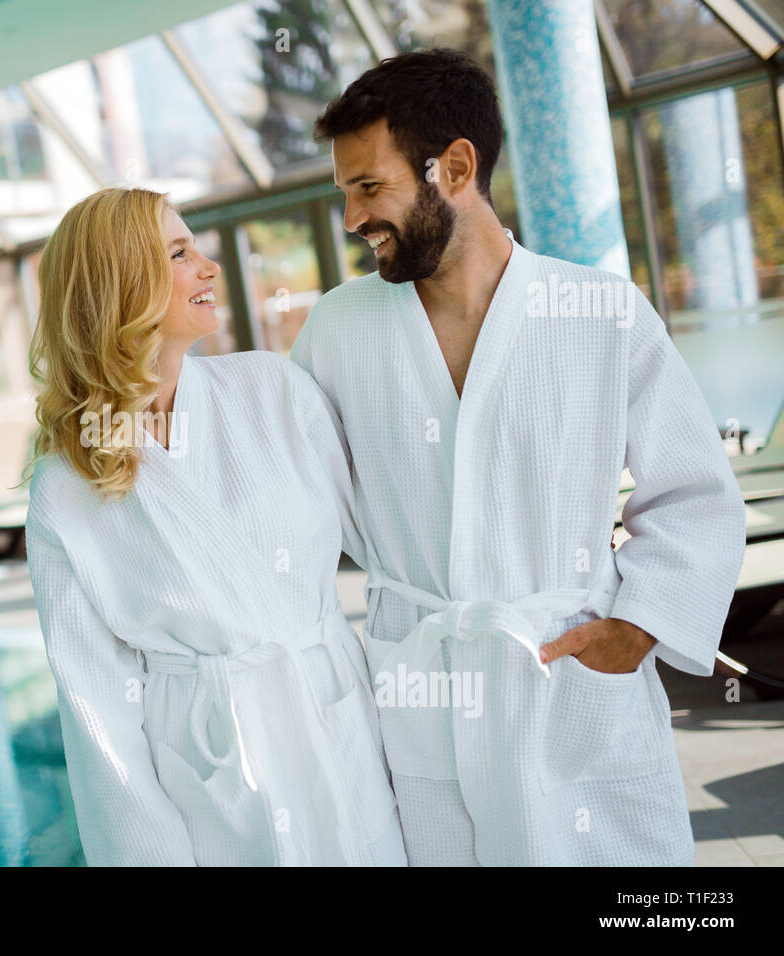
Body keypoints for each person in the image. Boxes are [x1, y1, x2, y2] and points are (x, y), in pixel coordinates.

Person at [291, 48, 746, 866]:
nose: (353, 218)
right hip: (424, 692)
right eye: (345, 193)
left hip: (569, 684)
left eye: (370, 187)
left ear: (455, 167)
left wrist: (640, 626)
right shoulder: (338, 330)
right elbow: (288, 496)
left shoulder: (599, 312)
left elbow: (694, 494)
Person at [22, 186, 406, 866]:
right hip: (209, 778)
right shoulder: (66, 485)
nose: (210, 268)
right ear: (121, 283)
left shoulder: (274, 390)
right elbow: (97, 710)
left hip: (334, 722)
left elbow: (394, 543)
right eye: (178, 253)